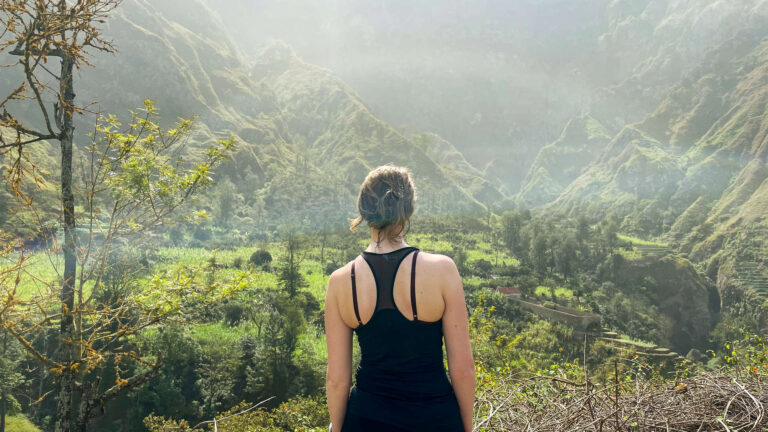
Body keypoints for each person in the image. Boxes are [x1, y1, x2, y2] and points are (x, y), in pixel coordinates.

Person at [324, 164, 475, 432]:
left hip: (366, 418)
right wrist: (466, 426)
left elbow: (337, 379)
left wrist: (337, 428)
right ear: (409, 210)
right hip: (435, 418)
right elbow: (462, 368)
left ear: (363, 211)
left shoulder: (340, 281)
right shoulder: (442, 270)